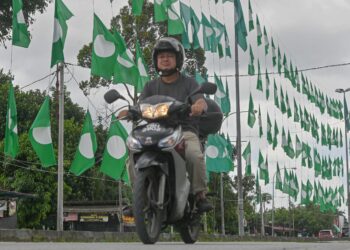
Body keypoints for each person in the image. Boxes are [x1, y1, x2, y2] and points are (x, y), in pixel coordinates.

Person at [119, 37, 212, 213]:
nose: (165, 59)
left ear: (178, 59)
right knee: (132, 155)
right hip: (155, 131)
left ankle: (200, 195)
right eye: (161, 56)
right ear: (156, 61)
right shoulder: (150, 86)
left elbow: (200, 100)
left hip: (183, 130)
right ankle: (140, 199)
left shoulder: (189, 83)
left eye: (169, 55)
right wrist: (129, 111)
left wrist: (199, 105)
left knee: (194, 155)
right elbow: (140, 106)